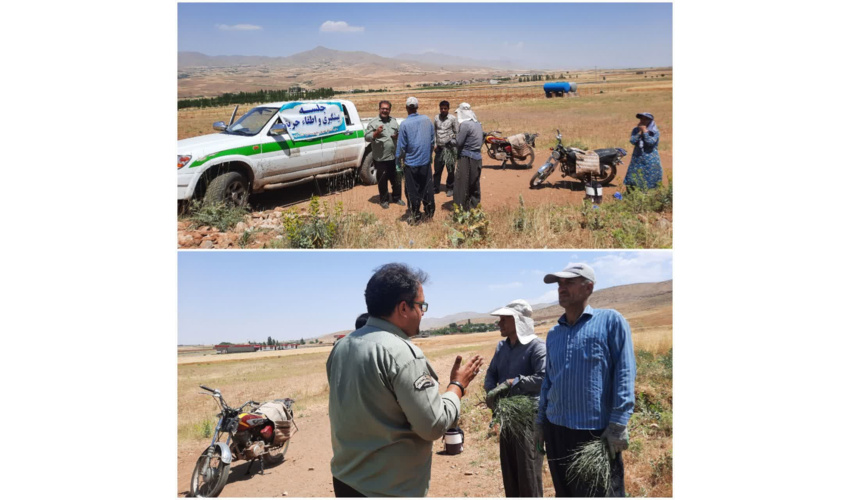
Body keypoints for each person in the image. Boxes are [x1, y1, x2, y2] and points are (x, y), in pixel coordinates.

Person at [327, 263, 484, 497]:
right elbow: (433, 425)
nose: (423, 313)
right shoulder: (402, 354)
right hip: (387, 489)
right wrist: (457, 386)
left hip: (345, 480)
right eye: (421, 306)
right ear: (403, 308)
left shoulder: (342, 346)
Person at [535, 263, 636, 497]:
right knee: (566, 492)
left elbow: (624, 373)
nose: (561, 288)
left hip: (595, 433)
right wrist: (540, 423)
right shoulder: (553, 334)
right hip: (557, 429)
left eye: (569, 282)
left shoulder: (610, 321)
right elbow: (548, 381)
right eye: (559, 284)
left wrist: (618, 424)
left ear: (588, 287)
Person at [484, 299, 546, 498]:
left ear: (518, 321)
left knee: (528, 470)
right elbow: (491, 372)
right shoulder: (501, 347)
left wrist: (513, 383)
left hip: (529, 418)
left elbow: (544, 376)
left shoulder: (536, 347)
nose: (499, 323)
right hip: (507, 417)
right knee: (509, 467)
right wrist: (491, 390)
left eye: (504, 319)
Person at [396, 97, 436, 223]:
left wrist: (398, 162)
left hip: (411, 164)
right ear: (417, 107)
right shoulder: (427, 120)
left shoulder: (404, 124)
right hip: (425, 162)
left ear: (407, 108)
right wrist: (429, 157)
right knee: (427, 187)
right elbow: (431, 141)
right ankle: (429, 213)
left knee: (413, 190)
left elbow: (401, 147)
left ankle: (416, 215)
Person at [364, 101, 405, 209]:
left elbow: (399, 133)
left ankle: (397, 198)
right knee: (382, 180)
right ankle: (384, 200)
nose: (385, 110)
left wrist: (397, 136)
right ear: (379, 109)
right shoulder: (373, 122)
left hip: (394, 157)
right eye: (383, 108)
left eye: (387, 109)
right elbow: (367, 137)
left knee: (396, 179)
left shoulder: (394, 121)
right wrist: (376, 133)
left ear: (389, 110)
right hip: (380, 158)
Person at [453, 102, 484, 211]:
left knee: (462, 184)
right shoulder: (477, 123)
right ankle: (474, 207)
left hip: (466, 157)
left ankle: (461, 209)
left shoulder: (465, 125)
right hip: (477, 157)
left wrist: (452, 139)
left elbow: (459, 142)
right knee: (474, 183)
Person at [624, 112, 663, 190]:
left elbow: (650, 142)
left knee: (650, 178)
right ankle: (632, 194)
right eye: (642, 118)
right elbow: (633, 141)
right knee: (634, 177)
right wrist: (639, 132)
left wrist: (645, 132)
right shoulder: (635, 130)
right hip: (637, 158)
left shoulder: (655, 132)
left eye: (646, 119)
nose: (643, 120)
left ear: (650, 121)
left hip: (650, 159)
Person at [433, 100, 459, 197]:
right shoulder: (436, 118)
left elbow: (457, 133)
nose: (443, 110)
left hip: (449, 149)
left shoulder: (452, 118)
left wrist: (454, 145)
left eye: (445, 108)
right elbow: (434, 132)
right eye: (441, 108)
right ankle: (435, 188)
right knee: (437, 170)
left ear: (448, 109)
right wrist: (434, 144)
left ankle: (450, 188)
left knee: (450, 170)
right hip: (439, 148)